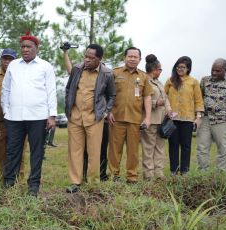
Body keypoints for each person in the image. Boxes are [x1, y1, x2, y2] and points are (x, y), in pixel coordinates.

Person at [1, 32, 57, 197]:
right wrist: (6, 110)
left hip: (38, 116)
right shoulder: (13, 65)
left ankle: (33, 186)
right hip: (14, 117)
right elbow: (6, 89)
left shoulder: (45, 66)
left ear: (36, 48)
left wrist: (52, 115)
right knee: (12, 151)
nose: (25, 50)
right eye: (23, 47)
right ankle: (9, 183)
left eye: (28, 47)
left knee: (36, 152)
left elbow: (51, 91)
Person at [65, 44, 115, 193]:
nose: (86, 60)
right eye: (85, 56)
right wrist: (69, 109)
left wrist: (105, 111)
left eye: (91, 58)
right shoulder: (77, 69)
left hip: (94, 118)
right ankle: (75, 182)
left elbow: (112, 95)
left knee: (94, 152)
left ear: (99, 59)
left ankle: (94, 183)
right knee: (75, 151)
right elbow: (69, 89)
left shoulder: (107, 74)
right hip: (75, 117)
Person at [108, 47, 153, 183]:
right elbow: (107, 94)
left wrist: (148, 117)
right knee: (115, 149)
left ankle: (132, 177)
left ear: (139, 59)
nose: (132, 59)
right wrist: (108, 111)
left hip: (135, 119)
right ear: (125, 58)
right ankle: (114, 175)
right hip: (116, 118)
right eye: (130, 56)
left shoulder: (144, 76)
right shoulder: (115, 73)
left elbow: (147, 98)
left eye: (135, 57)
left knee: (133, 151)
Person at [164, 56, 204, 175]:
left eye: (183, 67)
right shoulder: (170, 80)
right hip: (173, 119)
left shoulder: (193, 82)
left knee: (186, 146)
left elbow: (198, 100)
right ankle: (174, 171)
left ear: (188, 68)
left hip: (187, 119)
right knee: (173, 145)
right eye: (178, 66)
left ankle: (185, 171)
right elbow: (163, 95)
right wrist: (167, 109)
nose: (180, 69)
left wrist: (198, 118)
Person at [196, 58, 226, 171]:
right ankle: (202, 175)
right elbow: (200, 98)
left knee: (223, 149)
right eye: (212, 70)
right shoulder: (205, 80)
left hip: (222, 121)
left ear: (225, 70)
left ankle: (220, 176)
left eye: (217, 71)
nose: (214, 73)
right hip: (205, 120)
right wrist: (199, 115)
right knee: (202, 147)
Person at [140, 54, 171, 180]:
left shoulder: (159, 82)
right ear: (155, 70)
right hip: (150, 120)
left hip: (161, 120)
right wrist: (155, 103)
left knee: (160, 147)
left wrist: (169, 110)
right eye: (160, 69)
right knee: (148, 148)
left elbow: (165, 98)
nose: (160, 72)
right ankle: (148, 174)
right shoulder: (143, 81)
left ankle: (159, 173)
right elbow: (140, 99)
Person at [0, 48, 20, 181]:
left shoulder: (21, 75)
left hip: (19, 122)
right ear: (1, 59)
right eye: (5, 58)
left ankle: (18, 183)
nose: (7, 62)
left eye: (11, 59)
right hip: (0, 122)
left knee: (18, 154)